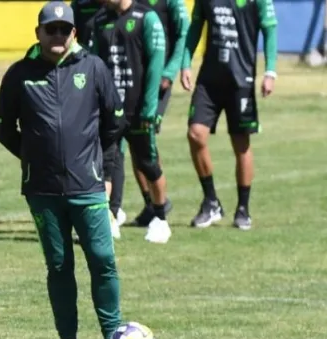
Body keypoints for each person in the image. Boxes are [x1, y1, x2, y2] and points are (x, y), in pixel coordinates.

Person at [0, 0, 124, 339]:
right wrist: (33, 158)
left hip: (88, 187)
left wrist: (102, 171)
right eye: (51, 29)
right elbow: (2, 127)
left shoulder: (93, 67)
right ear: (38, 32)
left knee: (102, 259)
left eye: (64, 30)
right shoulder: (19, 74)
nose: (58, 35)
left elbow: (113, 124)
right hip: (42, 190)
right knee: (59, 264)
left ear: (74, 33)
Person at [179, 0, 278, 231]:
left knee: (241, 144)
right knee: (195, 134)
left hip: (241, 80)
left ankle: (243, 209)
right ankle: (211, 201)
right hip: (209, 82)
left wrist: (270, 71)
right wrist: (185, 63)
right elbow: (195, 26)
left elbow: (270, 29)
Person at [91, 0, 172, 244]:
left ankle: (160, 219)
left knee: (148, 164)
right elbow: (95, 64)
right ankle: (108, 219)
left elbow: (155, 66)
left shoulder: (146, 19)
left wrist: (149, 108)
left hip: (137, 111)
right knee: (106, 166)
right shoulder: (100, 20)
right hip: (110, 112)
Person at [124, 0, 190, 229]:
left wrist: (172, 71)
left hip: (160, 79)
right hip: (134, 80)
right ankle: (150, 203)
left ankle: (158, 205)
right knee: (133, 142)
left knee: (145, 138)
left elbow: (183, 33)